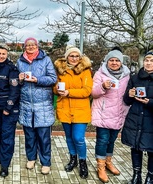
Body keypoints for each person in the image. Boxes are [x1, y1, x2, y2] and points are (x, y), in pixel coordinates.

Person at [17, 37, 57, 175]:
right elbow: (16, 82)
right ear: (24, 47)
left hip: (43, 105)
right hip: (26, 104)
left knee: (44, 137)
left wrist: (37, 80)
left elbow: (53, 78)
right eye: (27, 45)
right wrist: (20, 79)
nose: (30, 47)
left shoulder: (45, 59)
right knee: (29, 136)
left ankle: (45, 162)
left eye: (33, 45)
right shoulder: (20, 61)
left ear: (37, 46)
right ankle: (31, 158)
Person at [53, 45, 93, 179]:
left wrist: (69, 92)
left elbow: (87, 91)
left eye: (77, 56)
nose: (74, 58)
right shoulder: (60, 70)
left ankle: (83, 162)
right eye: (72, 55)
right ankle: (73, 159)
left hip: (80, 110)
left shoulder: (85, 71)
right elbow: (54, 87)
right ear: (67, 57)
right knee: (69, 137)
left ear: (80, 57)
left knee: (78, 138)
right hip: (64, 108)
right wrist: (57, 89)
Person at [91, 50, 130, 183]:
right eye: (111, 60)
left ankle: (108, 162)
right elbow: (93, 93)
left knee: (112, 141)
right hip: (103, 114)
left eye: (117, 60)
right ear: (107, 61)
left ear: (121, 62)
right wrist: (102, 86)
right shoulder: (100, 74)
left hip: (119, 113)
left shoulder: (127, 75)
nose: (114, 63)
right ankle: (100, 166)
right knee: (102, 140)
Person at [0, 44, 20, 177]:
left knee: (7, 137)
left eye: (3, 54)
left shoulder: (11, 69)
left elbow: (15, 90)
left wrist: (8, 108)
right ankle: (2, 156)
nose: (1, 56)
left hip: (9, 109)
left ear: (7, 55)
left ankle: (5, 165)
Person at [122, 51, 153, 184]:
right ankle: (136, 175)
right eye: (147, 60)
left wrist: (150, 102)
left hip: (151, 120)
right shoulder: (135, 77)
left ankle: (150, 177)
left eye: (152, 61)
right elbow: (127, 101)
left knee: (152, 149)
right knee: (135, 147)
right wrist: (129, 94)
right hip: (135, 118)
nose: (148, 63)